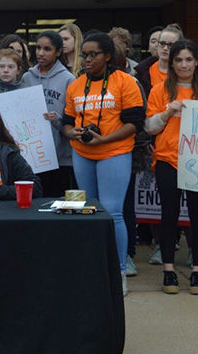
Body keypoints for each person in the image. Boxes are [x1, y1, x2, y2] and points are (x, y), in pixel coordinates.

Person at [62, 33, 145, 296]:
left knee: (113, 211)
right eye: (84, 55)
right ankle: (94, 268)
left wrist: (104, 139)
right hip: (82, 152)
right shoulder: (76, 85)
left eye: (92, 54)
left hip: (114, 151)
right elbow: (66, 121)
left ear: (107, 56)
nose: (86, 59)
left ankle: (119, 270)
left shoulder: (125, 82)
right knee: (89, 210)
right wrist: (70, 133)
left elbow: (134, 123)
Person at [144, 39, 198, 294]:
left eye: (188, 60)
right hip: (167, 159)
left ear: (196, 63)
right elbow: (149, 127)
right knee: (169, 215)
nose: (184, 64)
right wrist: (167, 112)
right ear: (171, 63)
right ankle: (169, 270)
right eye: (179, 60)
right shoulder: (160, 90)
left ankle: (197, 270)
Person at [23, 30, 76, 197]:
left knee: (56, 202)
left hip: (60, 155)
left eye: (47, 49)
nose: (40, 53)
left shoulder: (68, 79)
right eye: (38, 48)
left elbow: (73, 117)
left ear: (58, 52)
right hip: (31, 156)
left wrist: (57, 119)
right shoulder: (27, 77)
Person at [136, 24, 183, 94]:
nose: (165, 48)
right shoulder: (143, 71)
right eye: (162, 43)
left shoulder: (185, 71)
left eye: (170, 45)